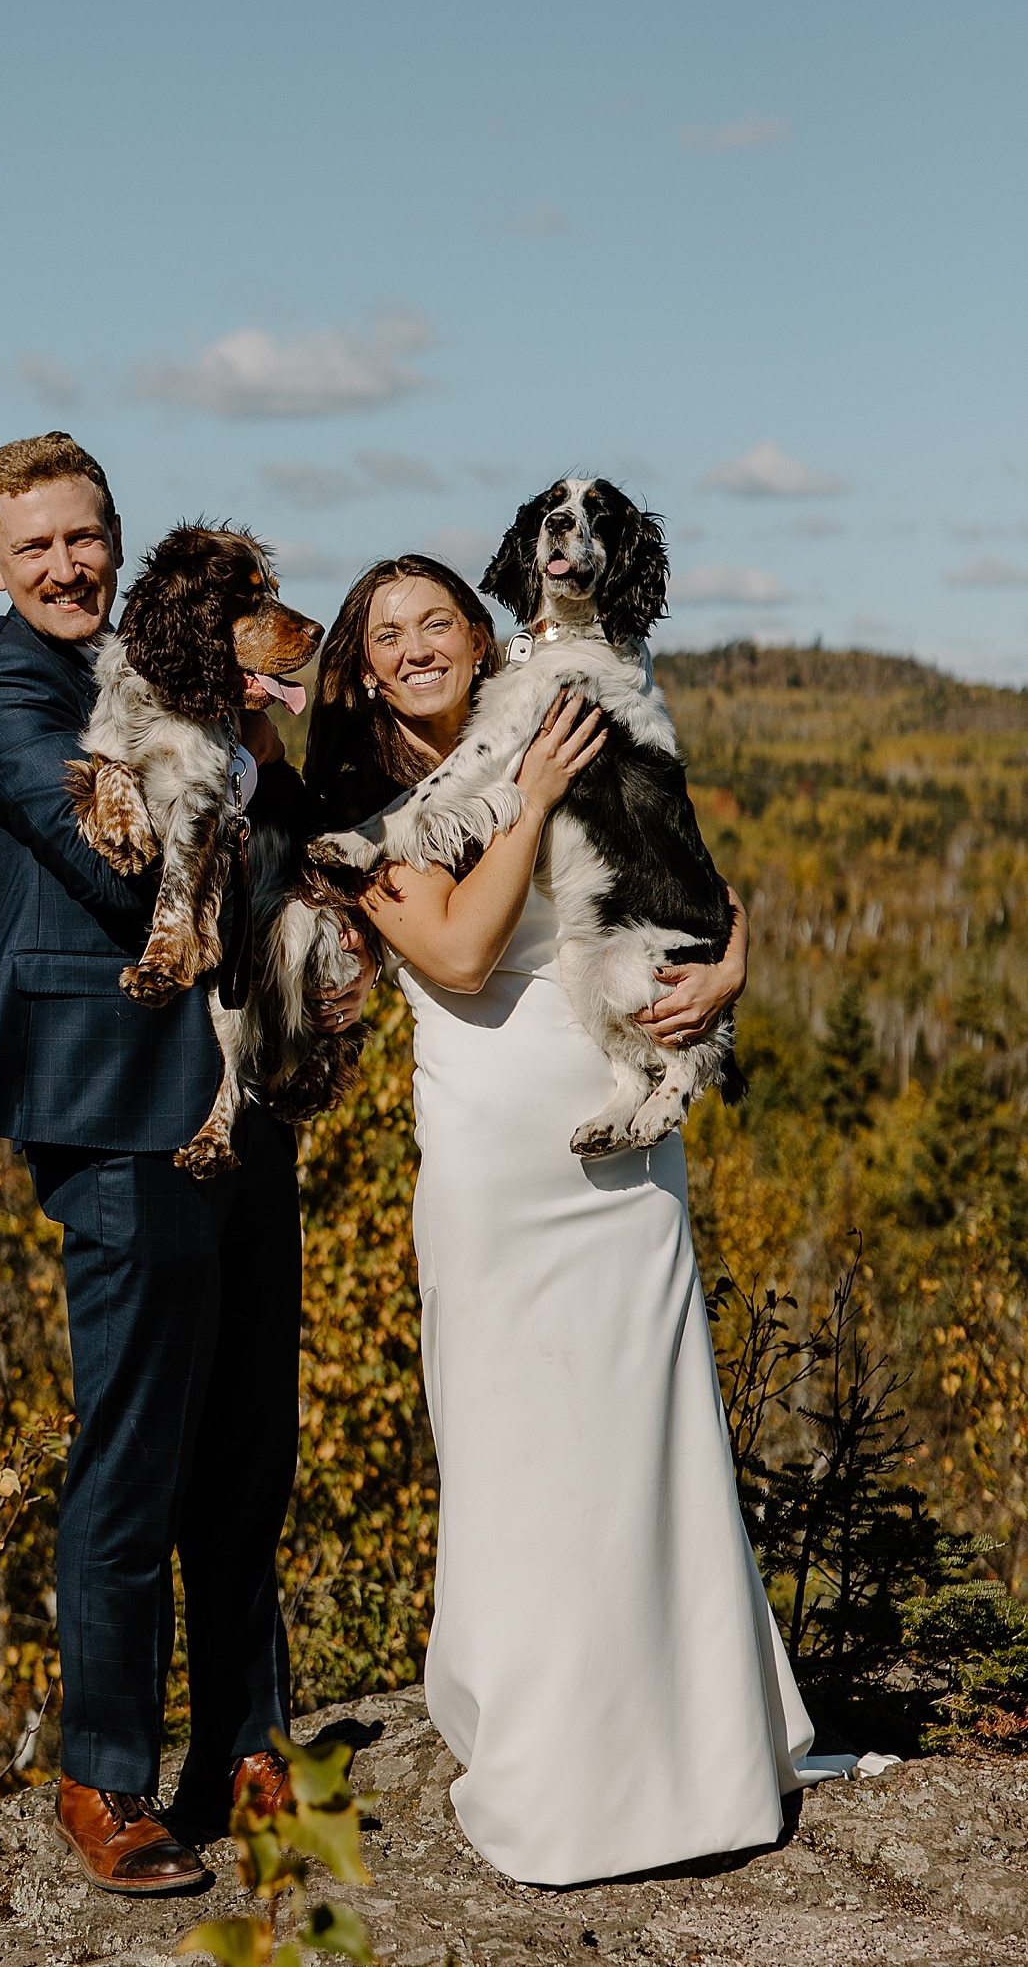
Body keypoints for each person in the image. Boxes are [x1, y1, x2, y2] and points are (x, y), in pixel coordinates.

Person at [304, 554, 816, 1888]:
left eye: (437, 621)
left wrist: (735, 960)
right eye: (387, 634)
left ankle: (701, 1756)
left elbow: (685, 857)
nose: (417, 646)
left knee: (646, 1435)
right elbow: (465, 950)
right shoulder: (357, 807)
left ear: (479, 636)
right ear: (358, 668)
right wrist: (529, 794)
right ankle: (555, 1769)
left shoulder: (567, 712)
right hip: (489, 1166)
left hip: (621, 1146)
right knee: (524, 1453)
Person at [0, 434, 372, 1894]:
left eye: (87, 537)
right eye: (36, 545)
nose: (67, 565)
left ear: (117, 544)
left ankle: (244, 1745)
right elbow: (118, 865)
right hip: (118, 1111)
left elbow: (300, 838)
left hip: (244, 1102)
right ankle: (104, 1772)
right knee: (135, 1446)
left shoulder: (199, 683)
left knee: (251, 1436)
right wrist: (236, 748)